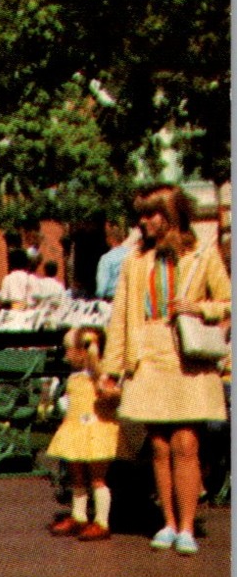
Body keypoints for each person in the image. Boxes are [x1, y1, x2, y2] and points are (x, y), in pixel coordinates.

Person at [105, 184, 231, 556]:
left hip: (187, 357)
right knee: (159, 446)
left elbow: (226, 301)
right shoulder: (134, 260)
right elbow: (119, 318)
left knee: (186, 442)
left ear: (172, 215)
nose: (143, 222)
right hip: (149, 354)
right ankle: (168, 522)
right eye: (140, 215)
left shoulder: (203, 254)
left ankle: (188, 525)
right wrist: (112, 368)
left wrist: (198, 307)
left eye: (150, 214)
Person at [46, 326, 122, 541]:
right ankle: (78, 515)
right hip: (75, 429)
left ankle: (102, 521)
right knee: (77, 474)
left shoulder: (99, 375)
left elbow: (109, 394)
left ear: (84, 351)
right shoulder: (75, 375)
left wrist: (95, 359)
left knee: (97, 477)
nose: (66, 354)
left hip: (96, 430)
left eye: (70, 349)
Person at [95, 219, 132, 300]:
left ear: (109, 239)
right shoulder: (131, 254)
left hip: (112, 299)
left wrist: (98, 297)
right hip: (129, 297)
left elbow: (102, 286)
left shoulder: (106, 259)